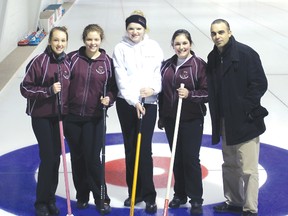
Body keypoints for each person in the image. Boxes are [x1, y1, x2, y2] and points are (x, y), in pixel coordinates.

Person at [206, 19, 268, 216]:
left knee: (248, 169)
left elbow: (259, 83)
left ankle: (250, 209)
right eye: (214, 33)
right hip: (225, 121)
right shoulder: (213, 57)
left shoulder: (245, 54)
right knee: (230, 163)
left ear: (230, 32)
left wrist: (245, 109)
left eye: (221, 32)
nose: (218, 36)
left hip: (245, 121)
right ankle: (234, 200)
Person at [112, 10, 164, 214]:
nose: (135, 32)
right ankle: (135, 192)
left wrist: (154, 90)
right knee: (131, 147)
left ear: (145, 29)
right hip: (127, 104)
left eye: (138, 28)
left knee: (144, 150)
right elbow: (120, 78)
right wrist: (133, 101)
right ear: (127, 29)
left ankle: (149, 195)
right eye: (131, 28)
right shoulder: (120, 48)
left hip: (149, 104)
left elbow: (157, 73)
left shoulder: (153, 46)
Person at [64, 24, 117, 215]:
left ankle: (101, 198)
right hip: (73, 117)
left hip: (95, 118)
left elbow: (113, 88)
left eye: (96, 39)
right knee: (78, 157)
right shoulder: (72, 58)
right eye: (89, 39)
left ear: (100, 40)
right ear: (84, 39)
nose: (92, 43)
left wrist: (108, 99)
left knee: (93, 158)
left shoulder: (107, 62)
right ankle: (82, 195)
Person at [20, 26, 70, 216]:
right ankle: (41, 202)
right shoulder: (39, 62)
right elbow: (25, 88)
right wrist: (48, 91)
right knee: (48, 158)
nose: (59, 44)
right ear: (50, 41)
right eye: (56, 40)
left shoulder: (67, 63)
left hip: (59, 117)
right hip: (41, 116)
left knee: (55, 159)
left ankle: (50, 199)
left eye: (63, 40)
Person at [158, 29, 208, 215]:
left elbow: (208, 92)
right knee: (177, 158)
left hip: (192, 119)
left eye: (184, 43)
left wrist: (190, 95)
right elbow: (162, 94)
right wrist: (162, 117)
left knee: (190, 158)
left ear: (190, 44)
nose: (181, 47)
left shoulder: (199, 65)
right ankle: (180, 194)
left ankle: (196, 198)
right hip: (172, 119)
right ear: (172, 45)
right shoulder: (166, 66)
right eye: (177, 44)